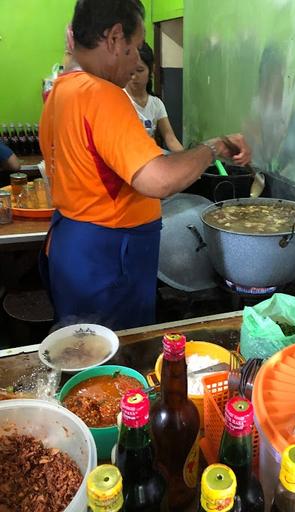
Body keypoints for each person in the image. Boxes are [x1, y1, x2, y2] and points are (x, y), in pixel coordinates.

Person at [39, 0, 251, 331]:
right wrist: (215, 146)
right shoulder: (102, 96)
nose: (139, 61)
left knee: (81, 352)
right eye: (135, 48)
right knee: (118, 361)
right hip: (108, 260)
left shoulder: (61, 91)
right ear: (113, 38)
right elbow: (158, 180)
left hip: (73, 247)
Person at [125, 42, 183, 152]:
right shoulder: (119, 99)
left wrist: (187, 160)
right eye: (130, 71)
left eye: (140, 70)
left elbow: (170, 138)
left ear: (151, 70)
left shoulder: (156, 104)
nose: (134, 76)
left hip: (151, 158)